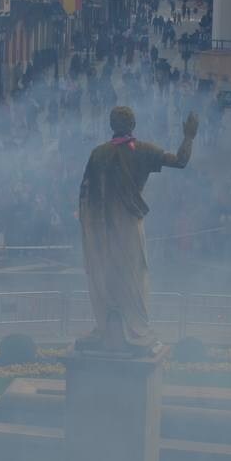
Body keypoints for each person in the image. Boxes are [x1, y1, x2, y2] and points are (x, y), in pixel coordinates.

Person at [77, 105, 198, 353]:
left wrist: (88, 226)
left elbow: (84, 196)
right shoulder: (142, 150)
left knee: (109, 272)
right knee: (133, 273)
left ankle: (111, 326)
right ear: (132, 125)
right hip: (128, 224)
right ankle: (133, 327)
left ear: (112, 125)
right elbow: (181, 161)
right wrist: (189, 137)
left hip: (103, 226)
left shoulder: (98, 153)